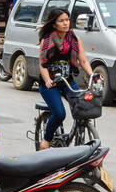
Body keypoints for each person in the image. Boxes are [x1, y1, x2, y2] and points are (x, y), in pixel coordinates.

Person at [36, 8, 94, 150]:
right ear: (54, 24)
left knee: (83, 107)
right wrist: (48, 80)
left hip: (67, 81)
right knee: (60, 113)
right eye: (61, 21)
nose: (65, 23)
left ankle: (77, 137)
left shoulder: (74, 39)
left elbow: (84, 61)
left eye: (67, 20)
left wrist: (92, 76)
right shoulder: (47, 40)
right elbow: (42, 65)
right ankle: (46, 139)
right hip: (50, 85)